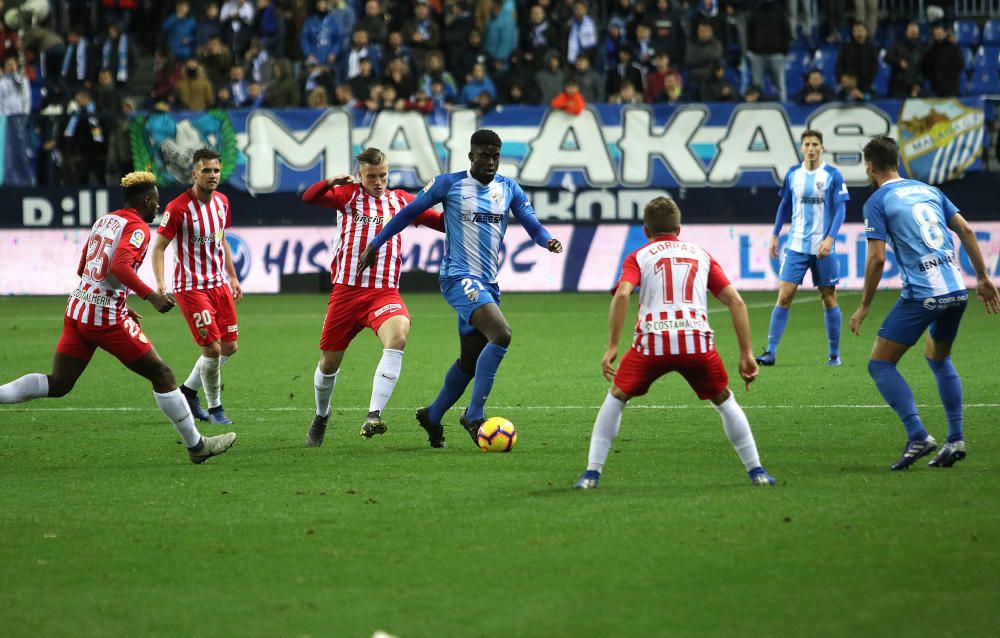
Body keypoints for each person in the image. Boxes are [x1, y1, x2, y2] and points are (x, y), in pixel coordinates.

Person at [0, 171, 236, 464]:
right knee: (162, 375)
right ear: (147, 200)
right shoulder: (138, 228)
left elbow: (84, 265)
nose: (158, 208)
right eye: (156, 202)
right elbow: (120, 265)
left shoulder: (106, 220)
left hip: (78, 309)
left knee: (59, 384)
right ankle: (197, 446)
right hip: (104, 318)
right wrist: (151, 296)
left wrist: (121, 302)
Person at [357, 129, 563, 448]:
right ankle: (474, 415)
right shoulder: (449, 184)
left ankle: (433, 415)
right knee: (502, 334)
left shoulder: (508, 189)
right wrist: (376, 242)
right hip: (457, 277)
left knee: (470, 360)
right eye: (484, 155)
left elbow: (531, 222)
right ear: (471, 156)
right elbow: (408, 213)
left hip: (488, 284)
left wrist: (546, 240)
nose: (491, 161)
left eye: (495, 156)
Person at [573, 196, 776, 489]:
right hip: (696, 342)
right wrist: (746, 353)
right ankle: (757, 471)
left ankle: (591, 474)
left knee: (616, 397)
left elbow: (621, 294)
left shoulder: (639, 256)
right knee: (724, 400)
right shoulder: (701, 254)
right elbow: (736, 302)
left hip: (652, 343)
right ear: (679, 228)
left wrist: (613, 346)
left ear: (646, 230)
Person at [849, 135, 999, 470]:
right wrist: (984, 278)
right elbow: (967, 232)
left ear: (870, 167)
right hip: (957, 291)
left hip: (924, 294)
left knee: (880, 364)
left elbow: (876, 259)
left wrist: (864, 305)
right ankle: (955, 439)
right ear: (898, 161)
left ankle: (918, 435)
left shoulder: (877, 200)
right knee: (938, 357)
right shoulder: (929, 190)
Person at [300, 147, 444, 446]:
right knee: (328, 364)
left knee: (399, 336)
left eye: (383, 176)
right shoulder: (348, 196)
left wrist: (460, 210)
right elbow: (309, 198)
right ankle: (321, 414)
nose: (378, 182)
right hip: (346, 293)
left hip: (384, 293)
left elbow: (439, 222)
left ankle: (373, 414)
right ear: (360, 175)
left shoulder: (401, 200)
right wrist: (330, 182)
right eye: (371, 177)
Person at [152, 148, 243, 426]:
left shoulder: (222, 202)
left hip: (218, 285)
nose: (212, 175)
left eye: (216, 170)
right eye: (206, 170)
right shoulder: (178, 208)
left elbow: (221, 239)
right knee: (212, 350)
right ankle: (216, 409)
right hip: (191, 287)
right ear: (194, 173)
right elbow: (158, 248)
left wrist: (233, 276)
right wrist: (160, 284)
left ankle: (188, 392)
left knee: (230, 347)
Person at [756, 130, 848, 367]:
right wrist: (775, 234)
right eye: (807, 144)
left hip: (822, 247)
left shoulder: (832, 175)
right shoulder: (792, 175)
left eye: (815, 144)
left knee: (828, 297)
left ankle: (834, 355)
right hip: (796, 245)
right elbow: (785, 204)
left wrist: (830, 239)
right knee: (784, 296)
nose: (811, 148)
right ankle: (771, 352)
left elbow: (840, 209)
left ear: (822, 147)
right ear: (801, 147)